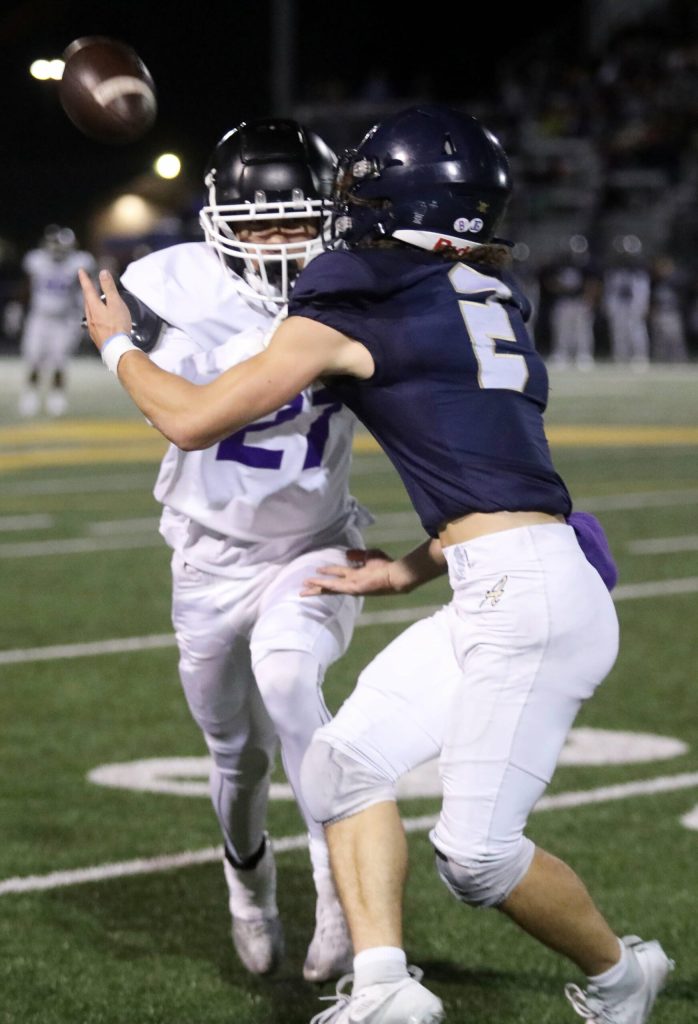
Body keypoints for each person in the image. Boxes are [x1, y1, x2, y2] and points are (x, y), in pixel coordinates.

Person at [79, 105, 674, 1024]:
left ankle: (622, 975)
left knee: (475, 859)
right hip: (511, 576)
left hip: (526, 597)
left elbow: (194, 418)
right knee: (342, 767)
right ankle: (387, 985)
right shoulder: (483, 296)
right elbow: (500, 483)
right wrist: (403, 571)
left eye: (354, 196)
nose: (336, 217)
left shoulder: (364, 290)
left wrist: (118, 344)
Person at [108, 118, 370, 982]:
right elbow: (170, 401)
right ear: (219, 219)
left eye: (297, 220)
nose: (279, 241)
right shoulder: (170, 285)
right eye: (259, 222)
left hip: (315, 544)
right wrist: (120, 344)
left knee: (293, 682)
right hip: (210, 554)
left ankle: (340, 895)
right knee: (237, 754)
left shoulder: (361, 289)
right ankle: (248, 884)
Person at [18, 224, 95, 417]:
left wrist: (86, 313)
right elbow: (27, 286)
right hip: (39, 317)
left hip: (64, 320)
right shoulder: (37, 260)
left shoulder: (78, 262)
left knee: (60, 361)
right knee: (33, 358)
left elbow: (85, 290)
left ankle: (56, 395)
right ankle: (31, 394)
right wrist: (17, 308)